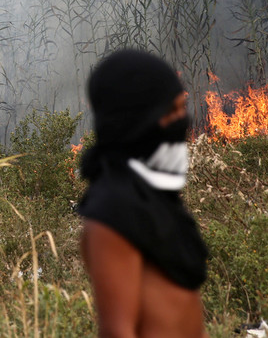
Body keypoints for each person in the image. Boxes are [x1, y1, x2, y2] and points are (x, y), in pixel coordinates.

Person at [78, 50, 210, 338]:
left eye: (182, 108)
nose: (183, 120)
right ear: (137, 118)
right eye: (171, 111)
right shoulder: (112, 211)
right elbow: (117, 331)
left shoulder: (153, 195)